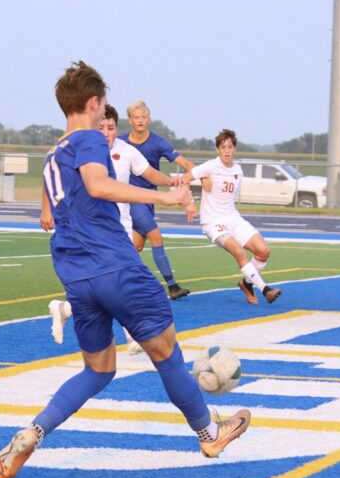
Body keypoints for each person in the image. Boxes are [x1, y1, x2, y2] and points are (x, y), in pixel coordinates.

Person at [0, 61, 250, 478]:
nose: (103, 114)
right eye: (103, 105)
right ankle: (209, 432)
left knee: (98, 370)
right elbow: (97, 184)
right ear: (93, 103)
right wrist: (163, 198)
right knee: (167, 353)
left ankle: (33, 432)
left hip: (76, 276)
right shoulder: (90, 139)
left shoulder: (53, 153)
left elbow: (53, 210)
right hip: (116, 267)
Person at [47, 104, 184, 354]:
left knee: (114, 286)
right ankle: (132, 335)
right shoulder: (83, 149)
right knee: (120, 283)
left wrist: (171, 182)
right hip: (94, 232)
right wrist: (47, 209)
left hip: (121, 225)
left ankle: (65, 309)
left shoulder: (126, 151)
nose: (107, 132)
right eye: (102, 127)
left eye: (111, 128)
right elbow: (54, 178)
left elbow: (150, 173)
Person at [181, 129, 281, 305]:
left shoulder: (238, 170)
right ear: (218, 149)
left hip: (233, 218)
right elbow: (184, 179)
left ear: (234, 148)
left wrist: (205, 179)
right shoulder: (210, 166)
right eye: (223, 147)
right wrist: (190, 200)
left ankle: (246, 284)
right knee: (238, 251)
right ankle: (265, 290)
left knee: (263, 250)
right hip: (213, 222)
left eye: (230, 146)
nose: (227, 151)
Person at [118, 100, 195, 300]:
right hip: (132, 200)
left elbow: (184, 162)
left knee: (136, 246)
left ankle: (119, 281)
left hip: (149, 200)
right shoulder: (120, 143)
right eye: (137, 117)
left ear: (149, 119)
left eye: (144, 117)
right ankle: (172, 286)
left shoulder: (158, 142)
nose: (141, 120)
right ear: (130, 120)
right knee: (156, 238)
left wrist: (201, 174)